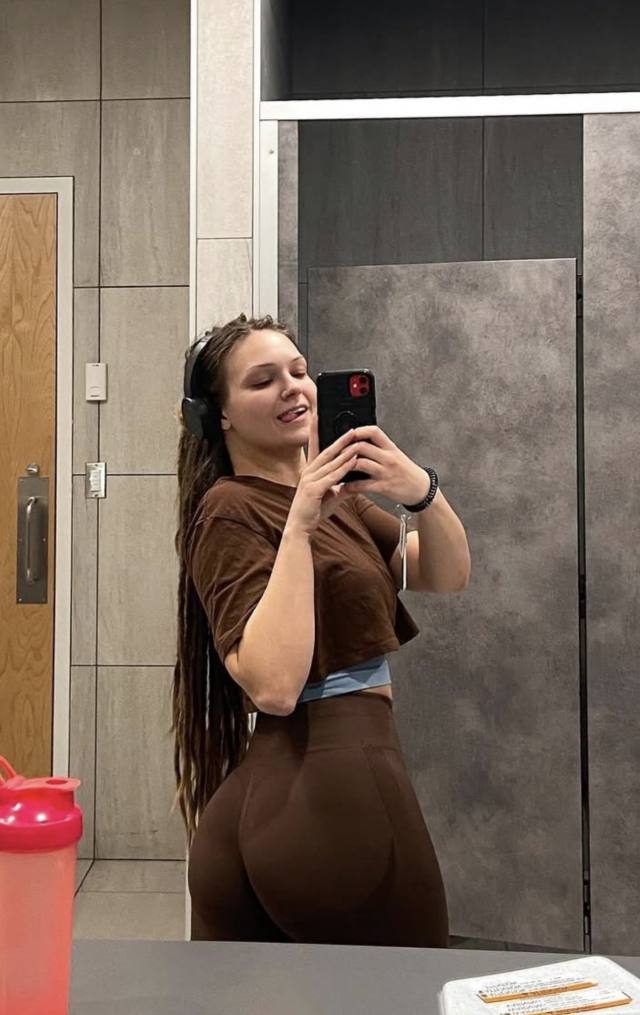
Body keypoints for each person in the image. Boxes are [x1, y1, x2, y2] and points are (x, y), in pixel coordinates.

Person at [172, 312, 466, 946]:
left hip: (286, 796)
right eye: (263, 381)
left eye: (299, 371)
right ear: (219, 416)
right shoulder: (230, 508)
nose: (293, 388)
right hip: (332, 790)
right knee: (406, 988)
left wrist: (422, 492)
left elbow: (444, 575)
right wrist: (301, 524)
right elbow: (274, 687)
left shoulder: (342, 502)